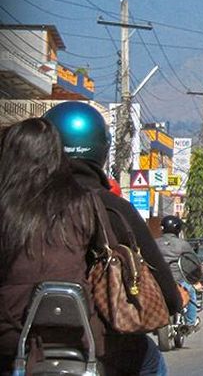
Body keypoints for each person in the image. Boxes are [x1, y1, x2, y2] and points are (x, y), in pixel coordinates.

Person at [44, 101, 181, 376]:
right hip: (106, 348)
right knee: (152, 361)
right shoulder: (114, 209)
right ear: (101, 149)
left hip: (20, 345)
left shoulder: (16, 205)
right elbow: (168, 297)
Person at [0, 118, 102, 373]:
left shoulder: (5, 205)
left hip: (8, 336)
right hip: (77, 334)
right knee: (150, 361)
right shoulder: (85, 203)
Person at [155, 216, 200, 328]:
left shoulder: (155, 243)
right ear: (178, 229)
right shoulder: (183, 244)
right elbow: (193, 263)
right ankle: (190, 322)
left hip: (157, 281)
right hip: (178, 280)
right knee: (191, 293)